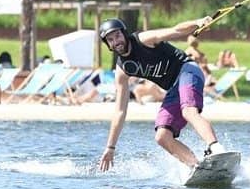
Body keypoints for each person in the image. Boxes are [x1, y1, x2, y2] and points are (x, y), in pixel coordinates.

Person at [97, 17, 226, 172]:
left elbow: (176, 30)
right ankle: (198, 168)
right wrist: (110, 147)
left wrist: (198, 23)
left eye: (117, 36)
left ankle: (216, 148)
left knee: (188, 111)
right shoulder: (123, 70)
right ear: (108, 45)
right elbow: (119, 112)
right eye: (110, 39)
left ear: (124, 34)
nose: (116, 41)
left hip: (187, 70)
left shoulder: (143, 40)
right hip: (173, 88)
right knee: (162, 136)